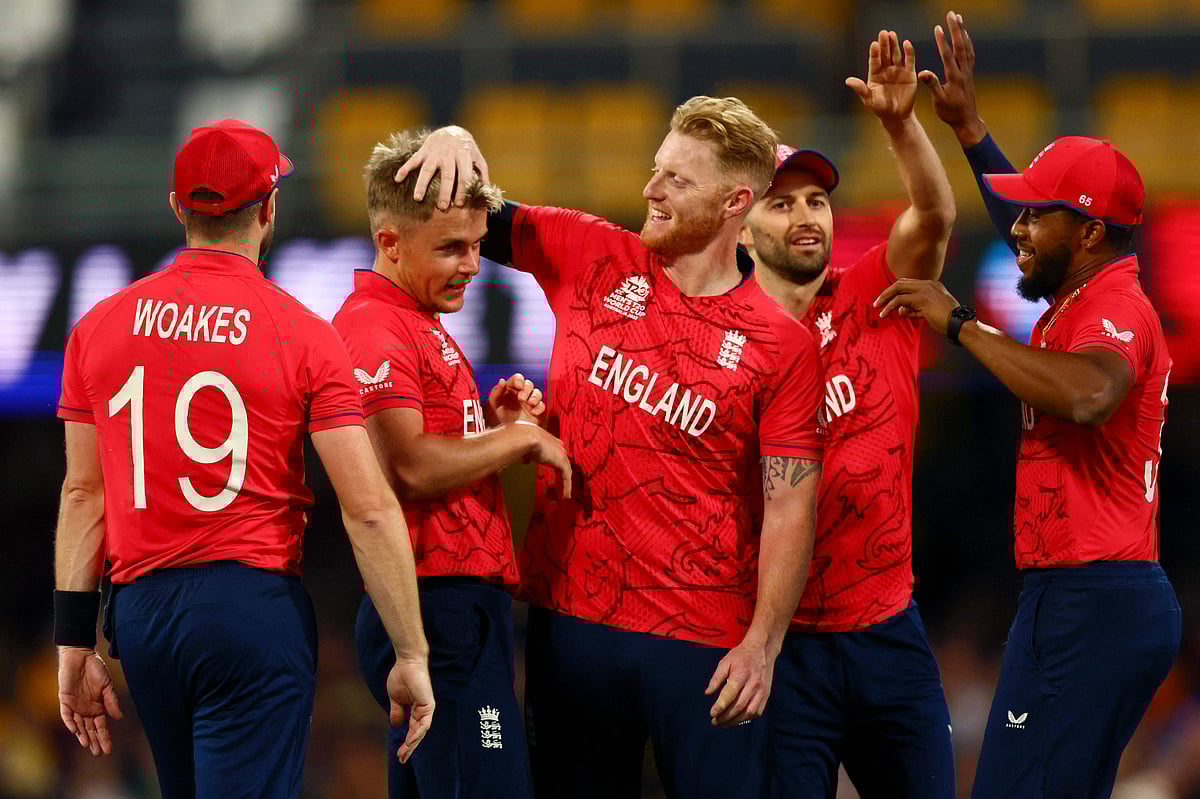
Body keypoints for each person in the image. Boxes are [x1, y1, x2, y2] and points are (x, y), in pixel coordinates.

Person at [397, 97, 828, 798]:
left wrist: (764, 643)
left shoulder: (782, 346)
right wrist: (451, 135)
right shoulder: (591, 251)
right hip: (570, 627)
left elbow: (789, 505)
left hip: (705, 643)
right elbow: (452, 203)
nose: (651, 190)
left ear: (734, 201)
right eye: (656, 169)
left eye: (677, 181)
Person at [53, 120, 434, 799]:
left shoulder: (97, 326)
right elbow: (368, 506)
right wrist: (410, 650)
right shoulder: (305, 334)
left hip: (141, 618)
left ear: (178, 208)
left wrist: (71, 642)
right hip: (249, 608)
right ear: (269, 207)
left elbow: (85, 494)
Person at [880, 14, 1182, 796]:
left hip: (1094, 599)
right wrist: (972, 131)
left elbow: (1090, 393)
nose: (1016, 227)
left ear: (1087, 232)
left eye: (1036, 213)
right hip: (1090, 598)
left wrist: (958, 322)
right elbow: (1027, 239)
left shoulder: (1118, 309)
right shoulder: (1082, 287)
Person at [738, 30, 956, 798]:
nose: (806, 215)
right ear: (743, 227)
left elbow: (933, 215)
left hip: (888, 628)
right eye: (782, 201)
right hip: (781, 645)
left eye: (818, 200)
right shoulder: (725, 339)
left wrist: (900, 125)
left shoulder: (873, 293)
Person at [332, 129, 571, 799]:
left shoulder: (417, 317)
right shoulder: (375, 327)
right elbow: (407, 466)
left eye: (474, 245)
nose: (471, 264)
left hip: (451, 609)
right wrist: (522, 441)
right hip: (438, 610)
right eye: (450, 248)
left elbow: (436, 459)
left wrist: (490, 428)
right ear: (390, 242)